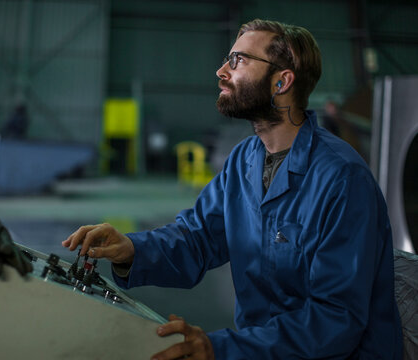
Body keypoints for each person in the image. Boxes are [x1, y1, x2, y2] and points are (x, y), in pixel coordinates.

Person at [63, 19, 403, 359]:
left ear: (281, 81)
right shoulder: (245, 160)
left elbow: (336, 320)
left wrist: (222, 348)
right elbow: (197, 238)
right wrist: (132, 250)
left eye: (238, 60)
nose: (221, 71)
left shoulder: (341, 178)